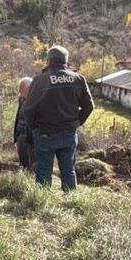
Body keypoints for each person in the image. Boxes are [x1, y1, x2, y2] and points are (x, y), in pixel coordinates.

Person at [24, 45, 94, 191]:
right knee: (68, 169)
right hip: (69, 133)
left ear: (49, 60)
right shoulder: (78, 79)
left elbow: (29, 109)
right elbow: (89, 106)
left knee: (43, 170)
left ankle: (42, 200)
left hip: (45, 133)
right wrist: (77, 122)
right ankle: (71, 199)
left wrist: (34, 127)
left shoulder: (40, 80)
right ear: (65, 61)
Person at [13, 77, 35, 170]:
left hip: (31, 138)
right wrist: (16, 136)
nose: (19, 91)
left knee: (32, 164)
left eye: (21, 88)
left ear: (29, 88)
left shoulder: (36, 99)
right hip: (20, 136)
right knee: (23, 164)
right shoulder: (21, 99)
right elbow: (18, 117)